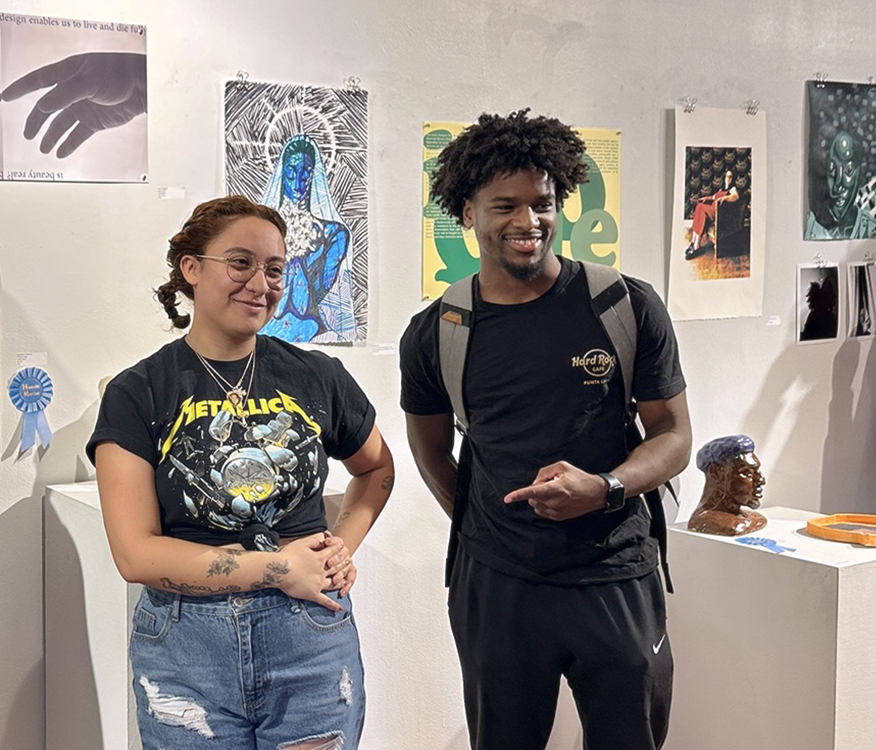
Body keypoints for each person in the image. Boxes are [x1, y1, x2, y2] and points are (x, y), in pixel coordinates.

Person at [400, 109, 691, 750]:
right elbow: (429, 450)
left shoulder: (624, 305)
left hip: (614, 571)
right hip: (498, 586)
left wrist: (607, 487)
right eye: (505, 205)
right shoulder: (438, 331)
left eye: (543, 203)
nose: (527, 222)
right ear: (468, 211)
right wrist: (489, 521)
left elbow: (672, 435)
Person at [88, 195, 393, 749]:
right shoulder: (139, 391)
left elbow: (377, 469)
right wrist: (278, 567)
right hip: (186, 649)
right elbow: (135, 554)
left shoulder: (317, 375)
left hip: (309, 640)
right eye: (241, 262)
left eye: (275, 269)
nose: (261, 283)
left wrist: (338, 548)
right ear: (191, 269)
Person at [259, 135, 354, 343]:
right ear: (283, 172)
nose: (298, 181)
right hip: (265, 327)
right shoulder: (261, 230)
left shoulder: (332, 234)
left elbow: (318, 291)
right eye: (291, 171)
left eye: (305, 173)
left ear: (313, 175)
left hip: (308, 326)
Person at [687, 435, 767, 537]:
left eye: (757, 472)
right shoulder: (711, 521)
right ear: (716, 472)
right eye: (747, 473)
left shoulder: (746, 517)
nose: (761, 480)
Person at [684, 169, 739, 259]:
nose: (728, 179)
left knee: (702, 209)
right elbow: (713, 197)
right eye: (727, 176)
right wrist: (706, 198)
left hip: (718, 212)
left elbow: (735, 196)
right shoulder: (722, 189)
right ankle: (693, 241)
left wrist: (725, 198)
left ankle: (697, 244)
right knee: (699, 205)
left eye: (730, 177)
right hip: (712, 209)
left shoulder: (733, 189)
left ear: (733, 178)